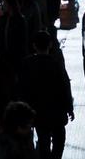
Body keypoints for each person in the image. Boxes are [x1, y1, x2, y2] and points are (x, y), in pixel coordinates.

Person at [19, 31, 74, 159]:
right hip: (56, 110)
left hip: (38, 111)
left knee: (43, 141)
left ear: (34, 46)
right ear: (50, 45)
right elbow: (65, 85)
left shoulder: (27, 63)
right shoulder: (56, 63)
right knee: (58, 140)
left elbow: (22, 88)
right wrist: (69, 107)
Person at [0, 0, 30, 70]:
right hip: (3, 53)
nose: (3, 6)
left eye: (5, 4)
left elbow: (23, 39)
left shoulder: (20, 20)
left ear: (10, 5)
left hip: (16, 54)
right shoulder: (3, 19)